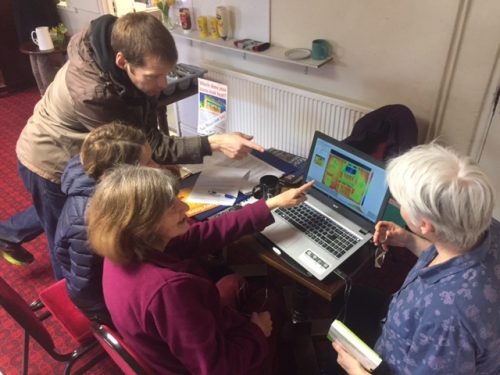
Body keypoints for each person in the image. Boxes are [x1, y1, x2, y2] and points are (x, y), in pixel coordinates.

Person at [1, 12, 263, 273]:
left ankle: (6, 233)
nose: (162, 84)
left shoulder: (122, 46)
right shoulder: (96, 95)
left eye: (166, 75)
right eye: (153, 76)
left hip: (79, 147)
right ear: (122, 61)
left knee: (65, 213)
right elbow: (144, 148)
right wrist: (213, 142)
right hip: (50, 158)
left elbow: (148, 135)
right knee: (67, 238)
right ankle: (72, 303)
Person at [86, 164, 315, 374]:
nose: (184, 207)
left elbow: (204, 234)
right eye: (171, 206)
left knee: (234, 283)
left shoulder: (125, 246)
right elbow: (218, 369)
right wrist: (256, 331)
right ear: (144, 222)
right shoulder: (169, 291)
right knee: (271, 301)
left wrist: (270, 204)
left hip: (172, 346)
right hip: (209, 367)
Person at [332, 143, 500, 374]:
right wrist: (410, 241)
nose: (399, 206)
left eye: (401, 203)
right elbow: (450, 255)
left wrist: (356, 371)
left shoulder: (446, 321)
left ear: (425, 224)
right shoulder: (485, 227)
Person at [55, 122, 158, 324]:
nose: (157, 167)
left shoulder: (100, 181)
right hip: (102, 302)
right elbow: (85, 286)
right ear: (120, 176)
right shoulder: (88, 222)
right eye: (148, 164)